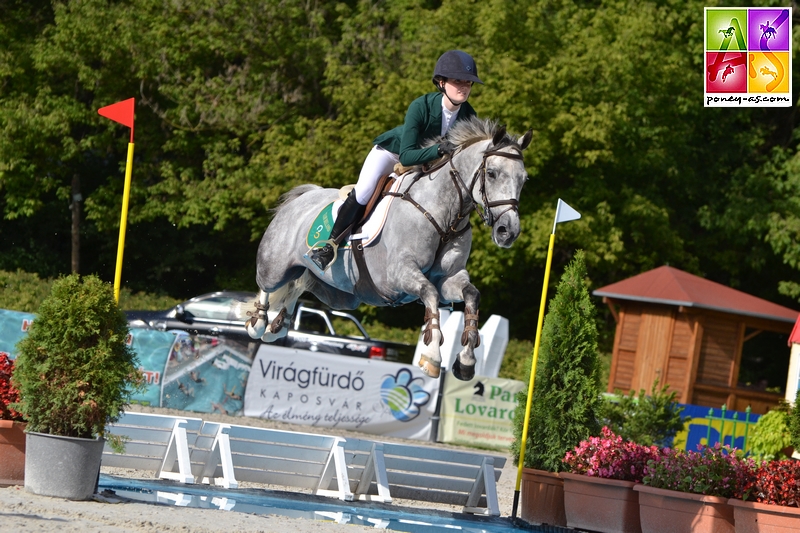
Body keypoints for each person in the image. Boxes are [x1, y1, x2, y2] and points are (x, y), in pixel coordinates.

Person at [303, 49, 483, 274]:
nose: (464, 86)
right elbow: (406, 156)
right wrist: (438, 150)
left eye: (468, 82)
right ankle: (329, 246)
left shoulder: (469, 114)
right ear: (441, 82)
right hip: (392, 153)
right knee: (364, 192)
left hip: (427, 162)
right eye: (458, 81)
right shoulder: (421, 106)